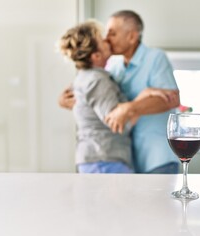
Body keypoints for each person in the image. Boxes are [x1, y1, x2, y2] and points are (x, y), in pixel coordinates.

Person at [59, 10, 180, 174]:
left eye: (112, 33)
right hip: (119, 158)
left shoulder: (155, 58)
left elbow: (171, 99)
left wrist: (130, 108)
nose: (107, 39)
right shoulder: (113, 67)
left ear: (131, 36)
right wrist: (66, 99)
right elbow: (93, 90)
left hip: (155, 156)